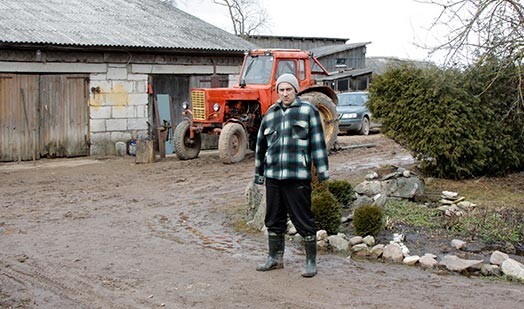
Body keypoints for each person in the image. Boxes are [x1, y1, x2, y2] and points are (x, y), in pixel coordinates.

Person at [254, 73, 329, 278]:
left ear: (295, 90)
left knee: (303, 219)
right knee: (273, 219)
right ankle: (274, 259)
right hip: (274, 177)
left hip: (297, 176)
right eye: (281, 89)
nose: (285, 93)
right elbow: (260, 146)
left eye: (288, 89)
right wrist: (259, 174)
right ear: (277, 91)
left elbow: (318, 144)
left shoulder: (308, 111)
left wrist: (322, 171)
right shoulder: (270, 114)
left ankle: (310, 262)